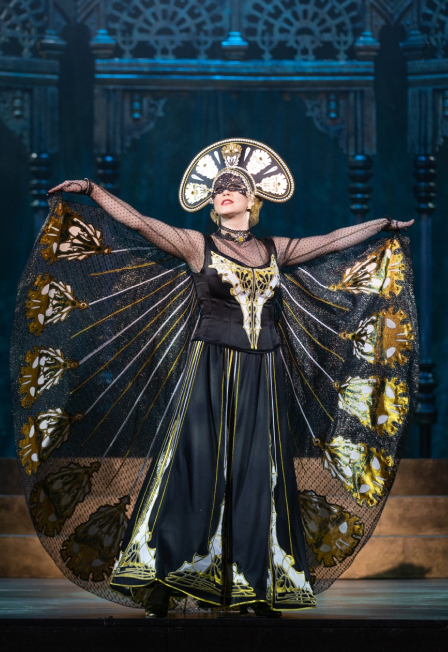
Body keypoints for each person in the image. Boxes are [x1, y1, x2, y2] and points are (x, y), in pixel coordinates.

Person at [12, 139, 417, 618]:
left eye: (235, 185)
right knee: (194, 467)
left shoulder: (275, 250)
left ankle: (257, 583)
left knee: (258, 475)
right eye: (218, 186)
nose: (224, 190)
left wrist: (381, 225)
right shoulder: (195, 245)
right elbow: (139, 222)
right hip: (209, 370)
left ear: (252, 199)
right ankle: (164, 578)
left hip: (262, 375)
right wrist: (92, 189)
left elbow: (330, 241)